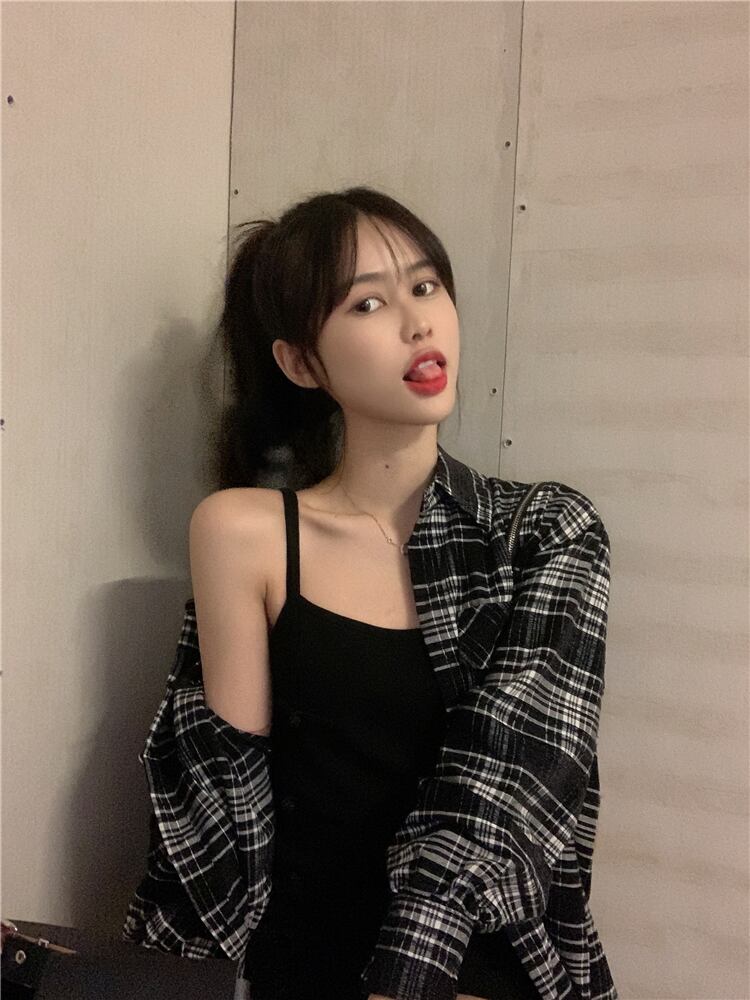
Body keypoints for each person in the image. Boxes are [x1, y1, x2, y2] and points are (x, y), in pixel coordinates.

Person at [123, 186, 617, 1000]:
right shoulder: (245, 533)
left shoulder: (545, 531)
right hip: (299, 968)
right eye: (369, 303)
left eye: (426, 286)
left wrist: (403, 981)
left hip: (470, 971)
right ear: (301, 363)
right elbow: (223, 808)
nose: (419, 323)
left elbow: (514, 778)